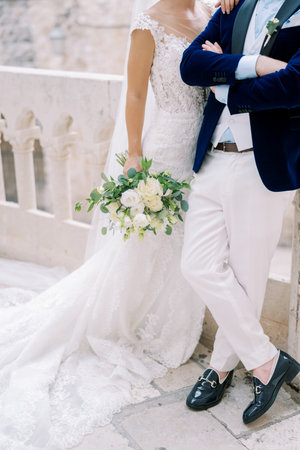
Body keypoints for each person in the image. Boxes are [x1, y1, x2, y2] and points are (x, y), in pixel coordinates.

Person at [0, 1, 238, 448]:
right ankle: (138, 319)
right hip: (167, 142)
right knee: (154, 241)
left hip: (204, 144)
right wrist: (133, 154)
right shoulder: (147, 20)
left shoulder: (210, 11)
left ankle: (175, 318)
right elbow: (134, 93)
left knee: (191, 236)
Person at [180, 0, 300, 425]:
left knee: (248, 276)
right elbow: (190, 65)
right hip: (214, 157)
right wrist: (256, 63)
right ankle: (267, 362)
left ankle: (221, 367)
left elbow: (294, 84)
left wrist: (225, 80)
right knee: (196, 264)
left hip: (261, 163)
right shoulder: (235, 3)